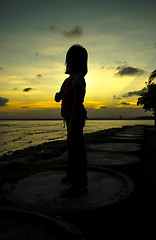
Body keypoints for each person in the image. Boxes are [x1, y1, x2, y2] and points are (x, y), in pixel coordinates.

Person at [55, 44, 88, 197]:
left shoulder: (78, 79)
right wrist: (58, 96)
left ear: (80, 62)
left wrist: (74, 121)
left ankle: (80, 184)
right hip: (69, 118)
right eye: (69, 58)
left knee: (77, 149)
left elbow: (76, 101)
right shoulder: (67, 80)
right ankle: (72, 175)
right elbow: (61, 95)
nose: (70, 61)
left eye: (74, 59)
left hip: (75, 117)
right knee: (72, 147)